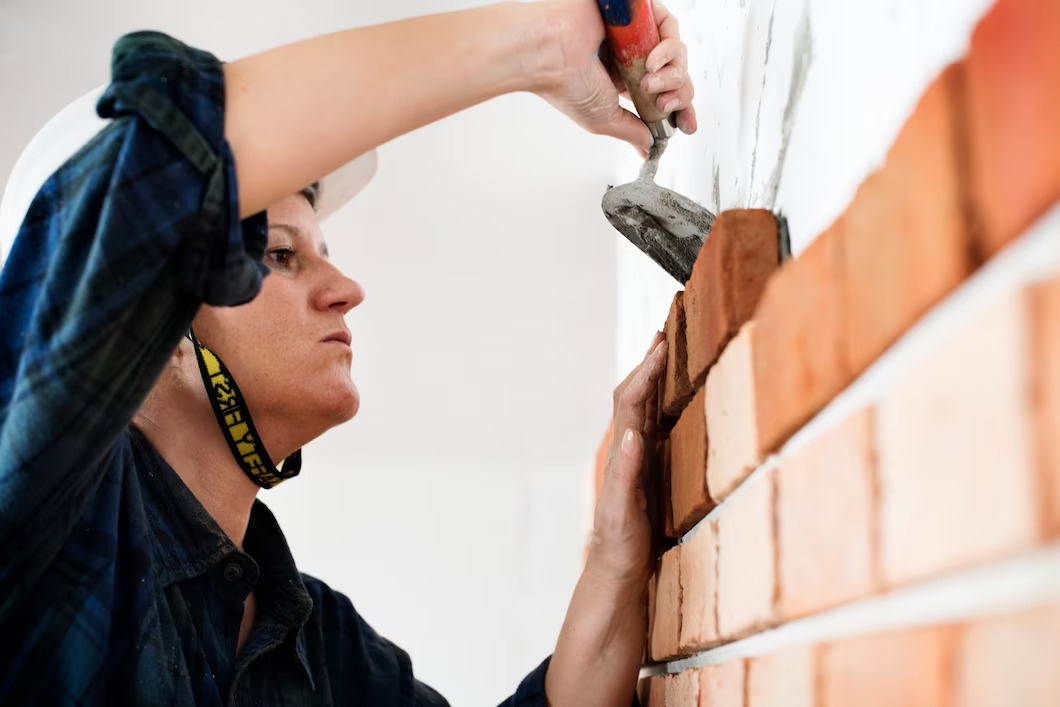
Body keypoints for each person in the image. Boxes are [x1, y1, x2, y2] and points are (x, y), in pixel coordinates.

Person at [0, 1, 694, 704]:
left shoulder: (310, 640)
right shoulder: (55, 537)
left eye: (320, 254)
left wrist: (615, 555)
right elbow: (139, 181)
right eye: (279, 256)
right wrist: (539, 44)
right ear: (154, 324)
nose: (347, 288)